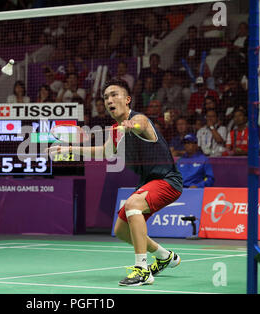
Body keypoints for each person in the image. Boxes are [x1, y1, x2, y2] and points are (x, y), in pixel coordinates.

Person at [46, 79, 183, 286]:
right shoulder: (116, 128)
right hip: (147, 183)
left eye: (114, 95)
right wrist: (69, 150)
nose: (109, 100)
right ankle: (165, 257)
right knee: (121, 229)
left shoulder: (139, 118)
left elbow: (142, 125)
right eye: (106, 97)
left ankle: (142, 270)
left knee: (132, 205)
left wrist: (132, 125)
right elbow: (104, 151)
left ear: (127, 99)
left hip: (167, 181)